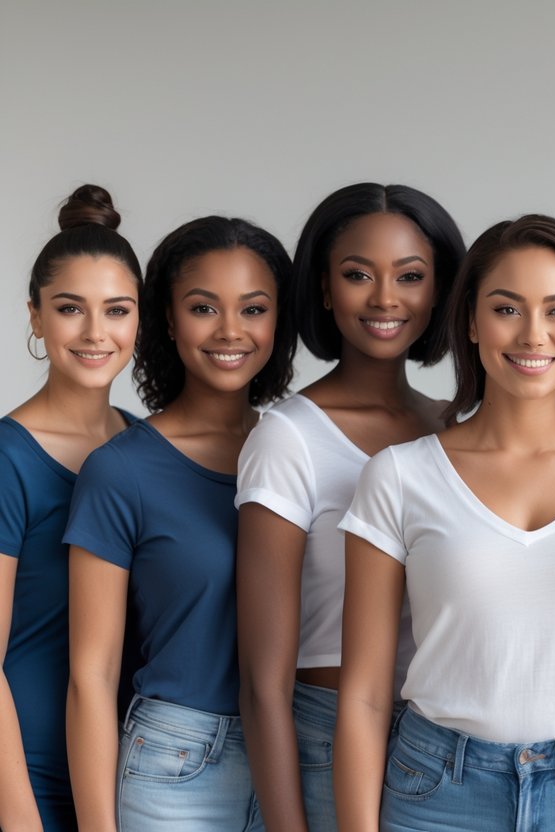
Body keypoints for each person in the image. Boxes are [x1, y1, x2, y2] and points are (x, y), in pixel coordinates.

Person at [335, 215, 555, 831]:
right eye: (507, 309)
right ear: (471, 321)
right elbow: (365, 695)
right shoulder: (398, 477)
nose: (533, 335)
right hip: (437, 792)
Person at [235, 183, 464, 830]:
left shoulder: (453, 429)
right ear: (325, 288)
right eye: (358, 274)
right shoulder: (288, 437)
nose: (386, 298)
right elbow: (261, 682)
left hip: (439, 747)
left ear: (441, 290)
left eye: (411, 276)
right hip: (321, 739)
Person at [64, 215, 295, 831]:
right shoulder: (120, 471)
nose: (230, 331)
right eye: (203, 307)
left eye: (253, 309)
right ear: (166, 318)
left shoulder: (302, 452)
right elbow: (91, 675)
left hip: (302, 749)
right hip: (179, 761)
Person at [1, 185, 141, 831]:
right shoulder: (9, 457)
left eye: (116, 311)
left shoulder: (145, 448)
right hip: (24, 781)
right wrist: (21, 817)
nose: (94, 333)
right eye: (68, 309)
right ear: (34, 317)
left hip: (131, 778)